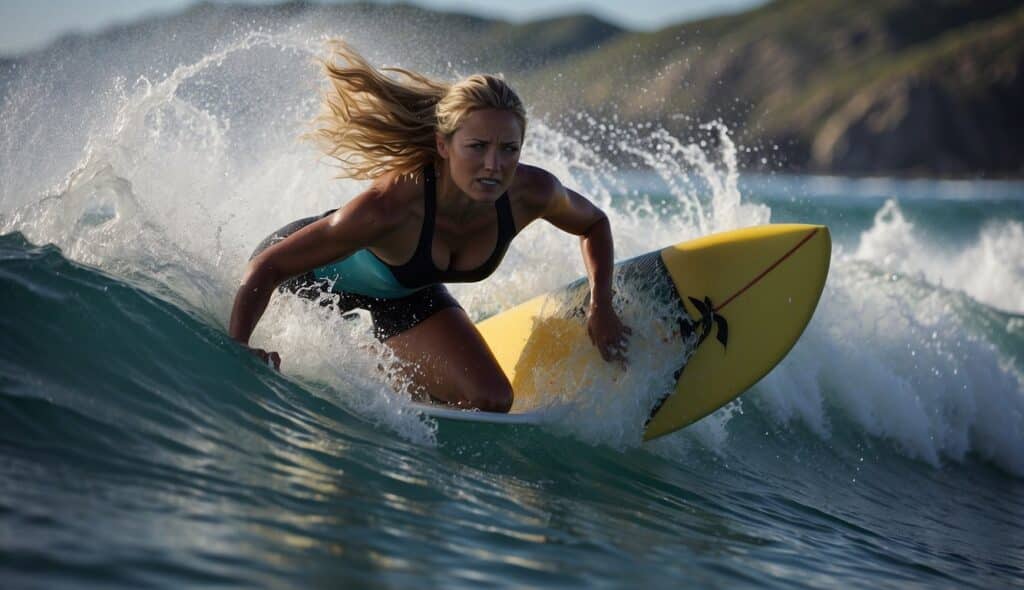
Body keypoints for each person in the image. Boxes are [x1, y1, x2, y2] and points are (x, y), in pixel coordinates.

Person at [229, 40, 630, 413]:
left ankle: (386, 363)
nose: (494, 165)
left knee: (490, 399)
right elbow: (268, 266)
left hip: (403, 292)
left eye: (509, 149)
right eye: (477, 147)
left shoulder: (533, 192)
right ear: (444, 145)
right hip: (308, 282)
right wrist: (239, 349)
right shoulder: (391, 206)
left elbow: (593, 223)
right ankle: (378, 360)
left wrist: (602, 305)